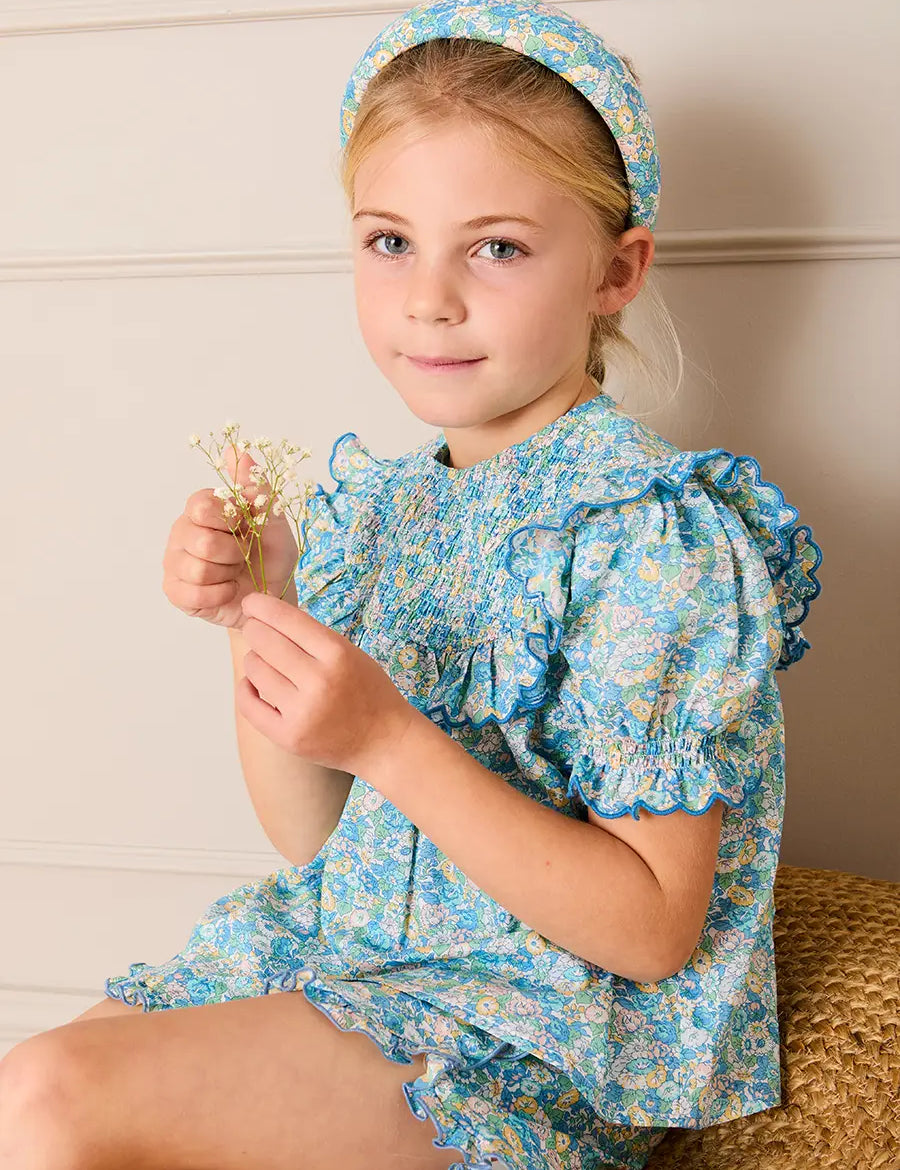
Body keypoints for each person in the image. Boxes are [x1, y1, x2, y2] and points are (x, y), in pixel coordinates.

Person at [0, 2, 824, 1169]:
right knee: (18, 1102)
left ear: (616, 271)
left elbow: (650, 930)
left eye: (495, 247)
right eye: (390, 241)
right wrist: (257, 617)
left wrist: (389, 738)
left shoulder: (652, 540)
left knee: (47, 1099)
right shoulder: (381, 511)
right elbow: (310, 835)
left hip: (522, 1034)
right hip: (342, 962)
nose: (429, 297)